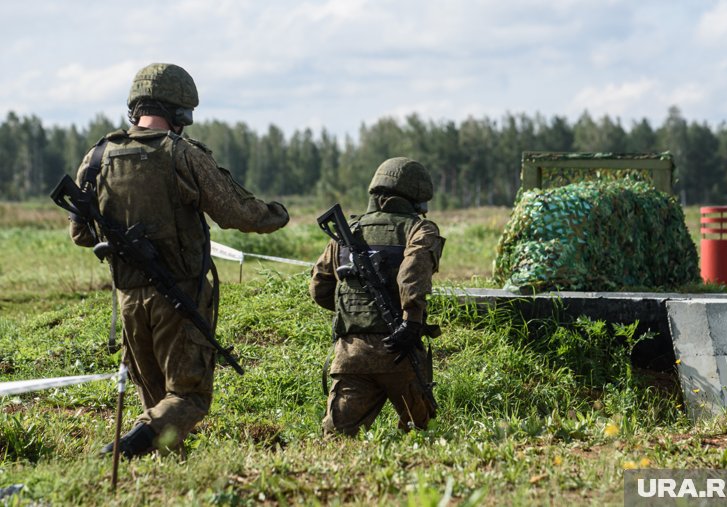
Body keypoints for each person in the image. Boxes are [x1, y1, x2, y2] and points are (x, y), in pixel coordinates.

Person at [69, 63, 290, 458]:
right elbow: (236, 212)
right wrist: (278, 213)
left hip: (129, 300)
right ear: (180, 113)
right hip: (178, 298)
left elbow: (81, 233)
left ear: (135, 107)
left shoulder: (97, 157)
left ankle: (168, 476)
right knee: (188, 397)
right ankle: (126, 447)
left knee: (157, 402)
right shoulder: (181, 154)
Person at [309, 157, 445, 436]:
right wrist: (411, 320)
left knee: (337, 440)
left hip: (351, 355)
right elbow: (413, 273)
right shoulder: (419, 229)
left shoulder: (347, 233)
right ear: (414, 197)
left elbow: (319, 288)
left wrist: (355, 315)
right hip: (400, 354)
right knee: (424, 434)